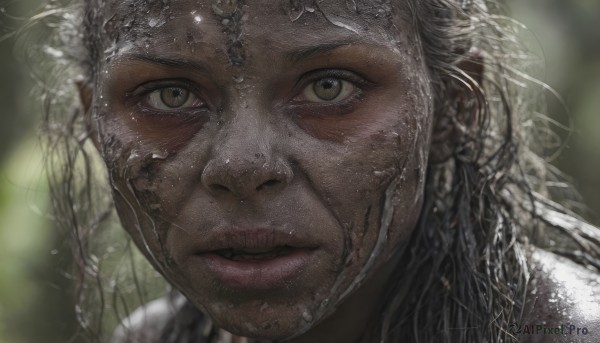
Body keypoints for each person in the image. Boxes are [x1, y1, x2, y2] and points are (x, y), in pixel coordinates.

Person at [36, 0, 600, 342]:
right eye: (169, 95)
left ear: (451, 110)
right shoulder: (152, 338)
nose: (243, 165)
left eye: (329, 86)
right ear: (94, 119)